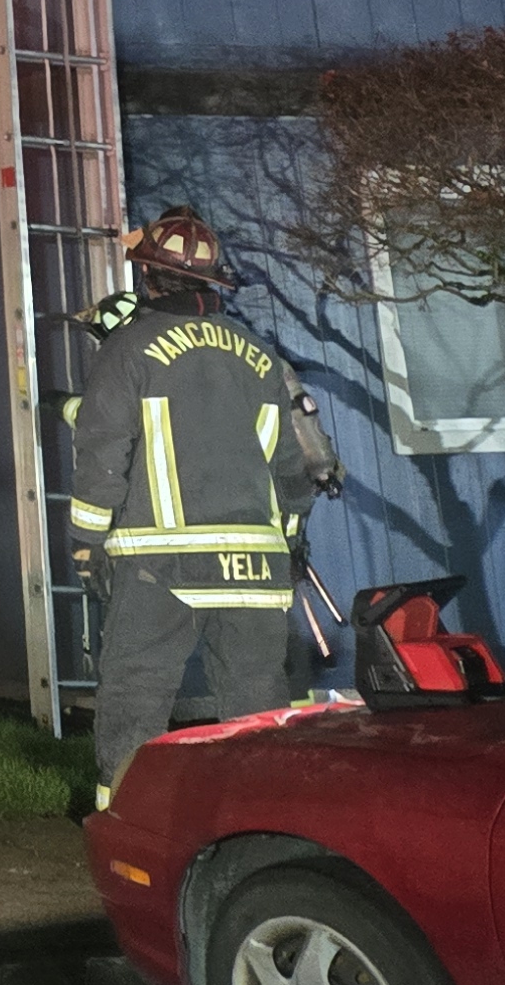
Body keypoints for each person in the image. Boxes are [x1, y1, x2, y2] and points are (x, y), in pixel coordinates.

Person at [69, 205, 333, 796]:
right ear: (215, 283)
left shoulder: (128, 348)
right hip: (257, 566)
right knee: (258, 706)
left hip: (160, 564)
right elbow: (291, 468)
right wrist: (291, 540)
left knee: (136, 693)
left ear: (148, 276)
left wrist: (86, 544)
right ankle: (265, 819)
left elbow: (103, 455)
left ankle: (126, 818)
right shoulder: (259, 355)